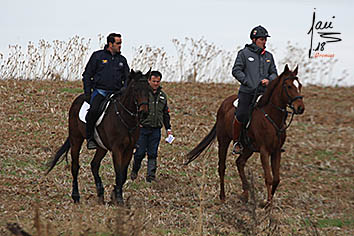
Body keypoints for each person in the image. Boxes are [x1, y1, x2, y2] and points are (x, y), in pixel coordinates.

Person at [231, 25, 278, 154]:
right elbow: (236, 70)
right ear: (254, 39)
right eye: (261, 39)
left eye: (265, 39)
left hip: (265, 93)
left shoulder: (269, 56)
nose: (264, 41)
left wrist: (269, 80)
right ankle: (237, 142)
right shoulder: (244, 54)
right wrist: (248, 82)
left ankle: (275, 141)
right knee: (241, 114)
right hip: (247, 92)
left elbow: (274, 73)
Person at [82, 33, 130, 149]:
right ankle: (90, 138)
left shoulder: (122, 60)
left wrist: (124, 89)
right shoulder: (97, 56)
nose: (120, 46)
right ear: (110, 44)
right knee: (93, 111)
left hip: (116, 93)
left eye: (121, 43)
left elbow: (127, 78)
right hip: (100, 91)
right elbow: (87, 75)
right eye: (118, 43)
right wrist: (88, 93)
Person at [131, 70, 172, 182]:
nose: (155, 83)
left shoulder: (162, 96)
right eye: (153, 81)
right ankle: (135, 170)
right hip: (143, 128)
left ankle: (151, 176)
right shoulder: (143, 94)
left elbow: (165, 114)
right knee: (139, 153)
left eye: (157, 81)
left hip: (156, 130)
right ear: (149, 80)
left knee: (153, 153)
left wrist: (168, 129)